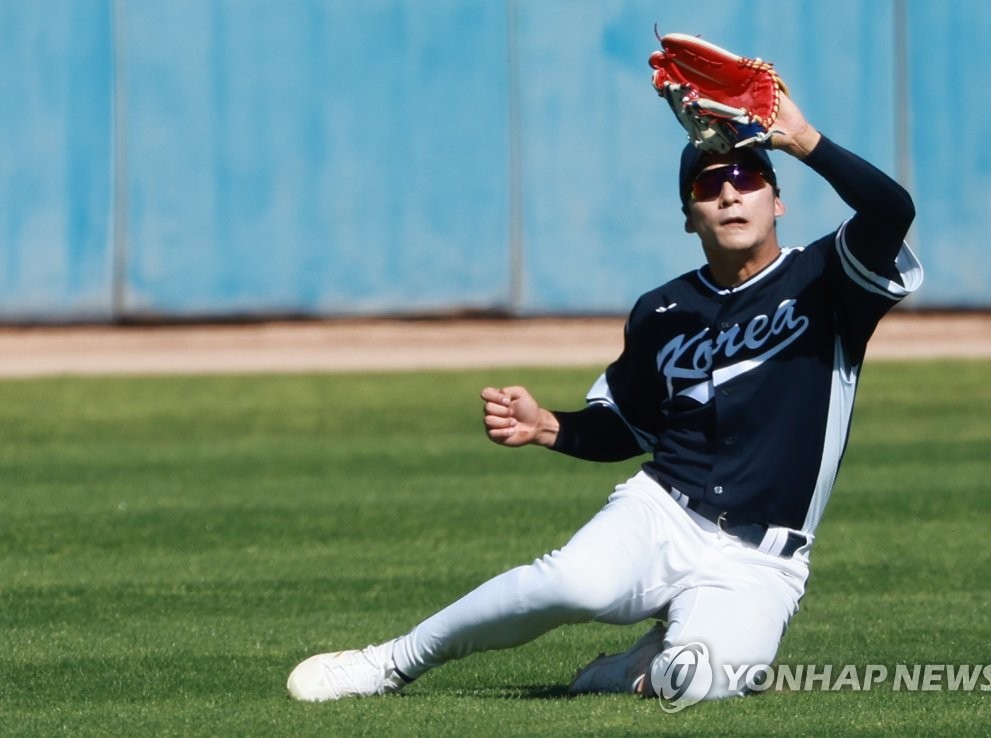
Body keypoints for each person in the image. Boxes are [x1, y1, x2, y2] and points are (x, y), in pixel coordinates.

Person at [286, 90, 923, 702]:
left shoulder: (829, 279)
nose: (730, 192)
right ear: (688, 216)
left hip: (762, 560)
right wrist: (547, 428)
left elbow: (892, 211)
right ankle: (390, 662)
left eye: (748, 178)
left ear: (777, 201)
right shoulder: (662, 311)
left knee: (695, 683)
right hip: (665, 513)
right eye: (707, 185)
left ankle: (630, 670)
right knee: (570, 582)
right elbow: (628, 427)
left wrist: (804, 140)